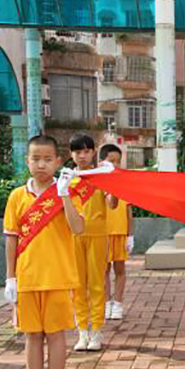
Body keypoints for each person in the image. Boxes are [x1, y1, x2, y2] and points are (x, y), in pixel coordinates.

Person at [3, 135, 84, 369]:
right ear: (27, 161)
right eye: (36, 159)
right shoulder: (17, 196)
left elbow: (78, 228)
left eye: (48, 159)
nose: (41, 164)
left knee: (56, 336)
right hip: (27, 279)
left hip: (58, 277)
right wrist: (9, 278)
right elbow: (11, 239)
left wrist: (64, 195)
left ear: (58, 162)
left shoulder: (66, 193)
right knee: (32, 337)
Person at [70, 133, 117, 351]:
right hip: (73, 237)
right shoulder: (67, 179)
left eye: (86, 151)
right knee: (77, 285)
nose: (82, 155)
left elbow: (113, 204)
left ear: (93, 152)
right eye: (77, 151)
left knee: (97, 283)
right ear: (71, 154)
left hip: (98, 235)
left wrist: (115, 184)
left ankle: (96, 330)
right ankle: (82, 331)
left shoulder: (101, 176)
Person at [99, 144, 134, 320]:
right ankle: (106, 304)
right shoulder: (97, 182)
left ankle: (118, 304)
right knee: (104, 270)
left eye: (118, 161)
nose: (115, 165)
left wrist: (130, 235)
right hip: (102, 233)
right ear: (101, 161)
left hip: (120, 232)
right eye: (111, 161)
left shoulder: (123, 182)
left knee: (119, 269)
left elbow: (128, 212)